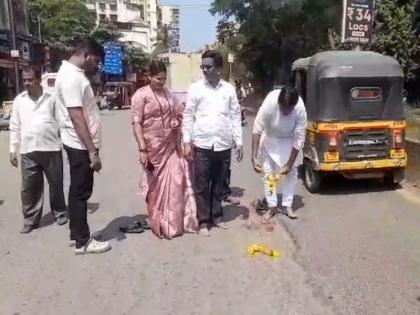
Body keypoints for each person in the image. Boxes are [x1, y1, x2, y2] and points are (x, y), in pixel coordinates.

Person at [55, 38, 111, 254]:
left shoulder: (74, 75)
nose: (96, 65)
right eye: (95, 60)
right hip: (79, 144)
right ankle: (82, 242)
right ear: (86, 55)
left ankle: (76, 233)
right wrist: (92, 152)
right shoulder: (71, 78)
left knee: (76, 191)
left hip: (77, 143)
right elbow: (77, 118)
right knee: (81, 192)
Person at [131, 60, 197, 239]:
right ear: (149, 76)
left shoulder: (168, 93)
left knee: (176, 181)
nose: (161, 82)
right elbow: (136, 123)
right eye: (158, 78)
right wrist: (142, 148)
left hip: (169, 146)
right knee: (154, 187)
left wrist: (177, 120)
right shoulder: (141, 95)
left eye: (164, 78)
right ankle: (156, 219)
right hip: (152, 149)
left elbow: (180, 112)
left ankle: (172, 222)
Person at [182, 50, 243, 237]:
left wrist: (238, 141)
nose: (205, 70)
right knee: (201, 185)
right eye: (203, 67)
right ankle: (203, 221)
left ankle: (217, 215)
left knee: (218, 184)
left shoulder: (229, 90)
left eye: (208, 67)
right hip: (202, 145)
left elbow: (234, 116)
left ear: (219, 68)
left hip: (223, 145)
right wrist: (186, 141)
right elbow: (188, 116)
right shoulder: (195, 89)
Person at [9, 65, 67, 234]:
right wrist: (13, 149)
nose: (27, 83)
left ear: (38, 79)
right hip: (28, 150)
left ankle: (60, 213)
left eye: (30, 79)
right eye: (24, 80)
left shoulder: (52, 98)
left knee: (56, 184)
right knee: (29, 188)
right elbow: (14, 126)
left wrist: (67, 144)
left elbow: (62, 122)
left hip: (51, 148)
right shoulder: (19, 100)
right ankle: (30, 220)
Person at [252, 86, 307, 220]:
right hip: (270, 138)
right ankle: (272, 207)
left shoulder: (300, 108)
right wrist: (253, 157)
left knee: (291, 173)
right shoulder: (270, 103)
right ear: (278, 102)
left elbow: (300, 138)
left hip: (289, 140)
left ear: (294, 106)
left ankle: (287, 204)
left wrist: (289, 163)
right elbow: (257, 130)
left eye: (289, 109)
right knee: (267, 174)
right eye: (283, 108)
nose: (286, 112)